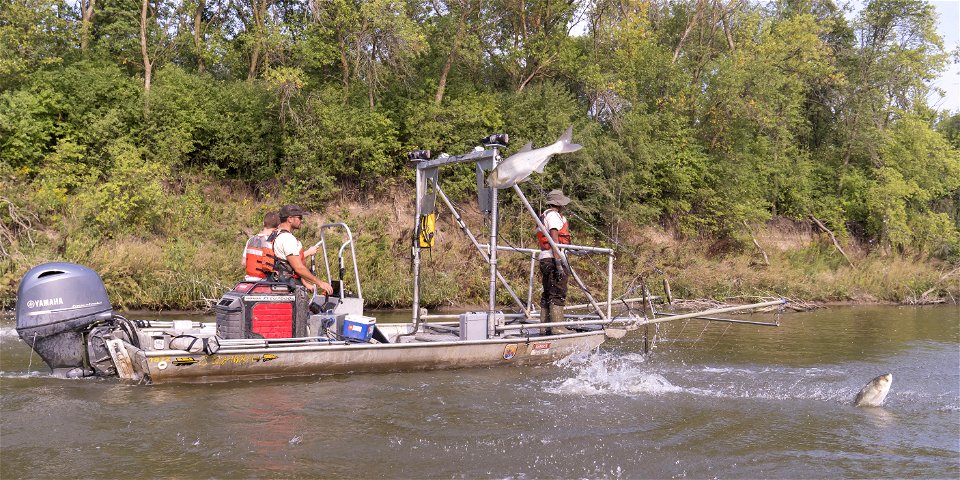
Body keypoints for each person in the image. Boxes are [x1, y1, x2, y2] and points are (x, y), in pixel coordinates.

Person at [272, 204, 334, 296]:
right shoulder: (287, 239)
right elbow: (298, 268)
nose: (301, 220)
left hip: (280, 282)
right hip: (288, 287)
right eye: (299, 217)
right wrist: (320, 283)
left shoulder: (276, 234)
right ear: (290, 219)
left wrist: (305, 283)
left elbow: (287, 264)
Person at [537, 189, 573, 334]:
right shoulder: (553, 216)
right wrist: (558, 261)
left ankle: (544, 327)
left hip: (546, 258)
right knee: (558, 291)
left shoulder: (544, 215)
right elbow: (554, 236)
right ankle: (557, 327)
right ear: (559, 203)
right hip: (553, 258)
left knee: (548, 292)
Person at [242, 211, 280, 281]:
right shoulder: (275, 241)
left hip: (249, 281)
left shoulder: (250, 240)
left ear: (263, 224)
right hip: (265, 281)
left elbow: (244, 263)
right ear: (278, 227)